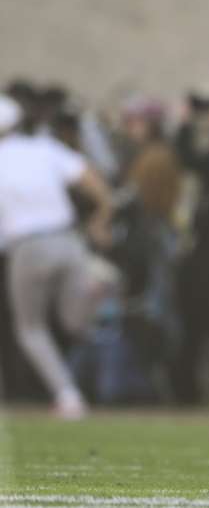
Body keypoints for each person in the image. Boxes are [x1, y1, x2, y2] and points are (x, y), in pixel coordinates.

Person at [0, 93, 118, 419]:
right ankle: (93, 291)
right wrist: (101, 217)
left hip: (26, 246)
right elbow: (94, 181)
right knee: (74, 323)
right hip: (67, 240)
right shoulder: (44, 149)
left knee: (30, 327)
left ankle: (68, 395)